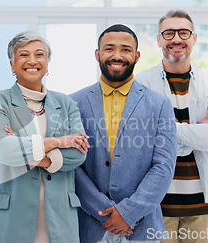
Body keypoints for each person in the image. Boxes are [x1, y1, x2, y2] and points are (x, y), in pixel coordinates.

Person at [70, 24, 177, 243]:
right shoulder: (73, 103)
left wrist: (128, 213)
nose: (117, 55)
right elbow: (72, 165)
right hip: (88, 225)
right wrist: (103, 210)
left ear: (137, 56)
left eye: (126, 49)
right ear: (97, 54)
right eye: (109, 49)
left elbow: (164, 166)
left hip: (143, 225)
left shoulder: (160, 105)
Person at [0, 31, 88, 243]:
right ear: (12, 65)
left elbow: (78, 154)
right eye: (23, 55)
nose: (32, 60)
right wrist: (57, 142)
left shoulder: (66, 103)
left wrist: (33, 156)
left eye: (39, 54)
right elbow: (2, 149)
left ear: (47, 63)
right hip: (10, 216)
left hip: (58, 217)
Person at [136, 10, 208, 243]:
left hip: (202, 204)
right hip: (156, 205)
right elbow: (141, 141)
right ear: (159, 39)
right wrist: (200, 131)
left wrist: (164, 131)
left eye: (183, 33)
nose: (176, 39)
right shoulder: (141, 84)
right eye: (169, 33)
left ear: (194, 38)